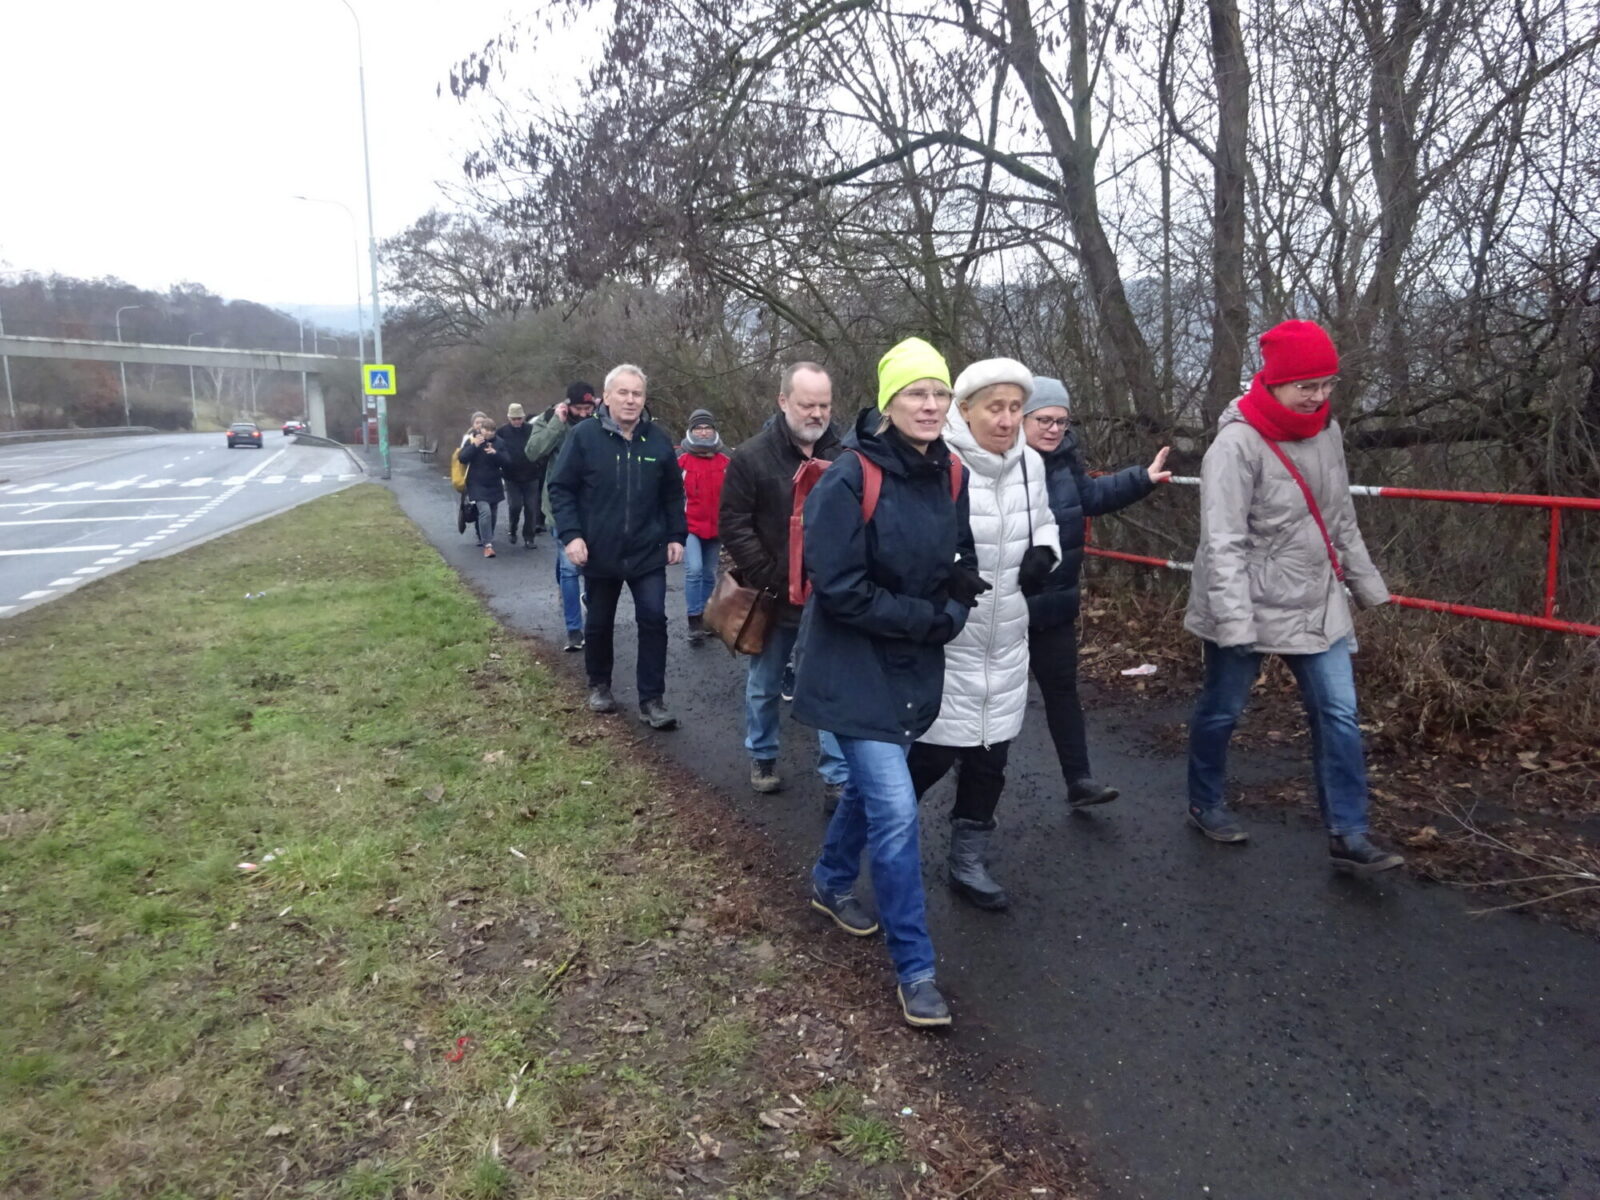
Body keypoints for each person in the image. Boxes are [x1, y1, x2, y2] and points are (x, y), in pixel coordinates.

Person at [792, 337, 985, 1028]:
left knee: (874, 792)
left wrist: (957, 604)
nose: (930, 405)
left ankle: (830, 881)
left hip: (912, 668)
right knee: (898, 812)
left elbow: (960, 557)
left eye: (939, 393)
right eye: (915, 393)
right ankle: (916, 970)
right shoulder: (849, 478)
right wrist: (928, 620)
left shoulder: (951, 472)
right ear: (888, 402)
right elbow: (840, 588)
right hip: (852, 670)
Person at [1183, 319, 1404, 875]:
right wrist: (1235, 623)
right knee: (1223, 709)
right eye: (1307, 385)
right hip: (1248, 600)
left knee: (1339, 714)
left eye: (1327, 384)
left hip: (1316, 599)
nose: (1318, 396)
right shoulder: (1235, 445)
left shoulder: (1327, 430)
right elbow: (1223, 541)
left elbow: (1340, 516)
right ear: (1275, 381)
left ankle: (1349, 833)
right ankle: (1205, 802)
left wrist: (1367, 585)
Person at [907, 359, 1060, 912]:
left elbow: (1045, 520)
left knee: (991, 760)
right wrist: (948, 569)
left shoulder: (1030, 464)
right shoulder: (937, 462)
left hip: (1008, 638)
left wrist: (1046, 551)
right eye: (995, 408)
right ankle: (870, 838)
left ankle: (967, 863)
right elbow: (911, 536)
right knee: (929, 757)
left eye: (1016, 408)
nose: (1007, 420)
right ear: (964, 409)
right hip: (953, 639)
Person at [1022, 377, 1170, 807]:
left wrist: (1141, 479)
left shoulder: (1065, 458)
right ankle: (969, 786)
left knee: (1062, 691)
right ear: (1021, 418)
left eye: (1061, 421)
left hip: (1055, 601)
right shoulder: (997, 462)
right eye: (1044, 420)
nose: (1054, 429)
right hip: (1004, 604)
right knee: (988, 698)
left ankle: (1079, 780)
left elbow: (1089, 496)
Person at [718, 363, 850, 802]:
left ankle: (836, 775)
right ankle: (763, 755)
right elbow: (734, 523)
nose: (817, 413)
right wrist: (768, 575)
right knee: (765, 684)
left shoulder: (847, 455)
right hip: (772, 596)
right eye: (807, 404)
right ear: (783, 401)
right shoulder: (751, 457)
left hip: (828, 597)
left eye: (824, 405)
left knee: (829, 688)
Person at [548, 364, 687, 729]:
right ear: (606, 397)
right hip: (599, 549)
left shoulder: (658, 440)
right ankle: (599, 685)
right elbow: (561, 488)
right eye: (623, 393)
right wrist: (572, 535)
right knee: (598, 622)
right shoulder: (584, 437)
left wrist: (676, 535)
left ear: (644, 399)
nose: (630, 400)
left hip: (647, 549)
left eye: (637, 393)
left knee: (654, 620)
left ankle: (652, 700)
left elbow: (673, 494)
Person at [524, 382, 598, 651]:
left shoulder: (601, 420)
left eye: (589, 408)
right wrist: (557, 422)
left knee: (590, 565)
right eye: (579, 408)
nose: (585, 413)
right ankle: (574, 629)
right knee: (569, 568)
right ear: (568, 405)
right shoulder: (549, 419)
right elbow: (533, 451)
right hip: (560, 505)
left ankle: (589, 609)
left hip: (594, 506)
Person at [678, 409, 730, 645]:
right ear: (691, 431)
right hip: (689, 525)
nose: (703, 432)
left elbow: (734, 495)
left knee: (709, 573)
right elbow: (672, 495)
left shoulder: (726, 460)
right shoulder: (681, 461)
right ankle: (694, 618)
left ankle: (707, 617)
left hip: (716, 526)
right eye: (698, 428)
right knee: (695, 569)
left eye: (707, 427)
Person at [456, 415, 508, 558]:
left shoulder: (500, 443)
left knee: (493, 513)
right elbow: (462, 458)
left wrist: (495, 454)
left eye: (492, 430)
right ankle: (487, 545)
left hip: (494, 482)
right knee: (485, 512)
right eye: (486, 430)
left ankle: (487, 536)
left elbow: (507, 461)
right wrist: (474, 446)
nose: (489, 433)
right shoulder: (472, 440)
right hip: (476, 483)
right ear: (481, 429)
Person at [495, 402, 544, 547]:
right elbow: (497, 451)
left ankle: (529, 537)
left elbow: (540, 447)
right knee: (515, 506)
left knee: (531, 507)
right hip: (511, 476)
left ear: (523, 418)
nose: (517, 421)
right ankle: (512, 528)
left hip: (532, 475)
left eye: (519, 418)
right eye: (514, 419)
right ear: (509, 418)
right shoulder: (502, 432)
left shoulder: (532, 430)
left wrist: (539, 464)